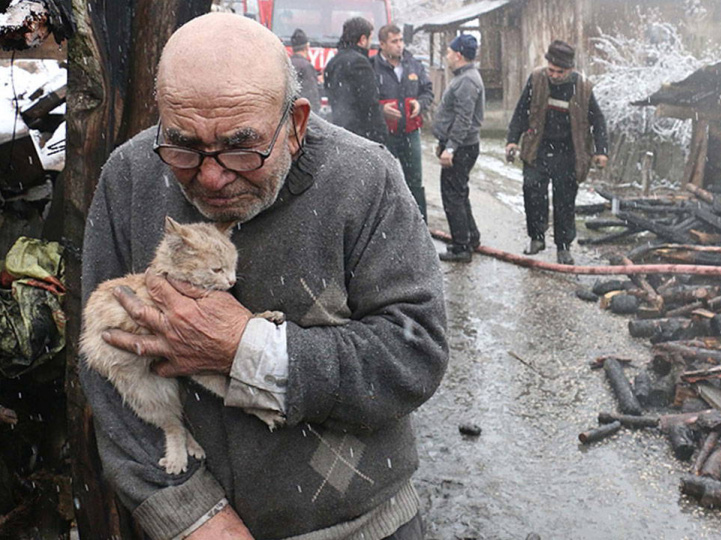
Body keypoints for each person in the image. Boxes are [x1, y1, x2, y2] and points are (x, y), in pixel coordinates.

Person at [80, 13, 446, 540]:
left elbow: (416, 353)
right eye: (183, 144)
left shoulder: (365, 178)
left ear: (295, 124)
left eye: (240, 146)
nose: (210, 175)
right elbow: (103, 369)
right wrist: (189, 516)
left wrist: (248, 350)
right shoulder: (130, 176)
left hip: (362, 526)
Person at [506, 40, 608, 265]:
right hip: (538, 148)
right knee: (532, 190)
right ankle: (537, 237)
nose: (554, 75)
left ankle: (563, 247)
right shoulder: (536, 79)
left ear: (570, 69)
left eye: (559, 72)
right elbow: (521, 111)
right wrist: (512, 140)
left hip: (569, 152)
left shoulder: (583, 87)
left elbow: (598, 121)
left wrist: (601, 150)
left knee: (564, 201)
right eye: (551, 70)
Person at [431, 34, 484, 263]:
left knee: (452, 196)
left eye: (450, 52)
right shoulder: (465, 77)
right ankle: (470, 237)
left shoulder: (467, 81)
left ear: (459, 55)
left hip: (462, 147)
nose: (447, 56)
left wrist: (450, 148)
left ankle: (461, 247)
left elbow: (464, 119)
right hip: (460, 145)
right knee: (459, 192)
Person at [373, 24, 433, 222]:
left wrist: (420, 103)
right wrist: (381, 109)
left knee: (415, 181)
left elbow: (427, 91)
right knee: (384, 182)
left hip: (410, 132)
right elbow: (365, 99)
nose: (399, 46)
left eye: (401, 41)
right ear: (382, 44)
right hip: (385, 134)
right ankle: (387, 224)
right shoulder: (372, 67)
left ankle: (420, 223)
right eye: (394, 41)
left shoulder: (413, 64)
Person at [324, 16, 388, 143]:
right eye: (370, 38)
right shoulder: (360, 63)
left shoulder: (333, 62)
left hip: (339, 131)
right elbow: (369, 103)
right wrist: (381, 134)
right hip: (360, 135)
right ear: (362, 40)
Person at [289, 28, 321, 112]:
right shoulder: (307, 67)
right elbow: (312, 94)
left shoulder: (287, 64)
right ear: (307, 47)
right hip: (302, 112)